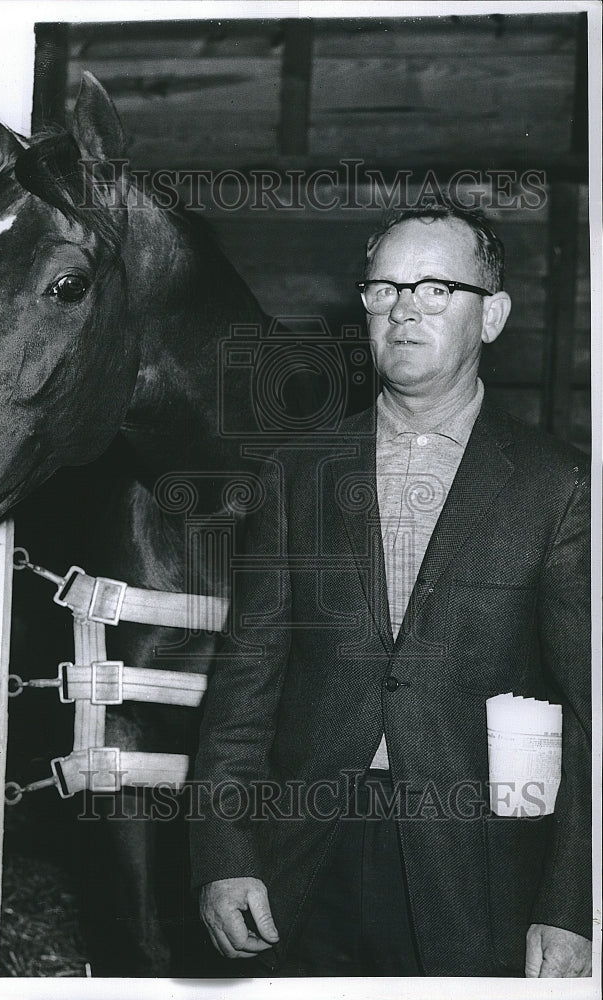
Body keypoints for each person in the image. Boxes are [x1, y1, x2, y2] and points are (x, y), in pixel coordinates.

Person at [189, 204, 592, 977]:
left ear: (493, 315)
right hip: (304, 860)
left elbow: (588, 712)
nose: (404, 308)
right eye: (384, 289)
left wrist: (568, 904)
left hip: (474, 870)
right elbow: (246, 683)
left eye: (436, 288)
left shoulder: (558, 486)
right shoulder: (296, 472)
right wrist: (223, 852)